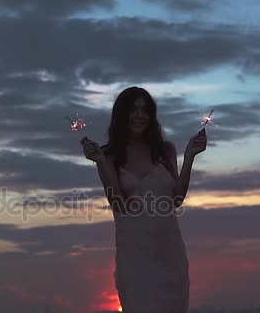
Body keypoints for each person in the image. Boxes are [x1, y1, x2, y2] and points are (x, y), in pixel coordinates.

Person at [80, 86, 207, 312]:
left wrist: (189, 157)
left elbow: (176, 199)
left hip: (170, 255)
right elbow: (118, 204)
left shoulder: (165, 150)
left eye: (145, 110)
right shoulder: (108, 155)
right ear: (122, 114)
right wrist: (100, 161)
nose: (140, 115)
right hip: (134, 259)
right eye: (133, 110)